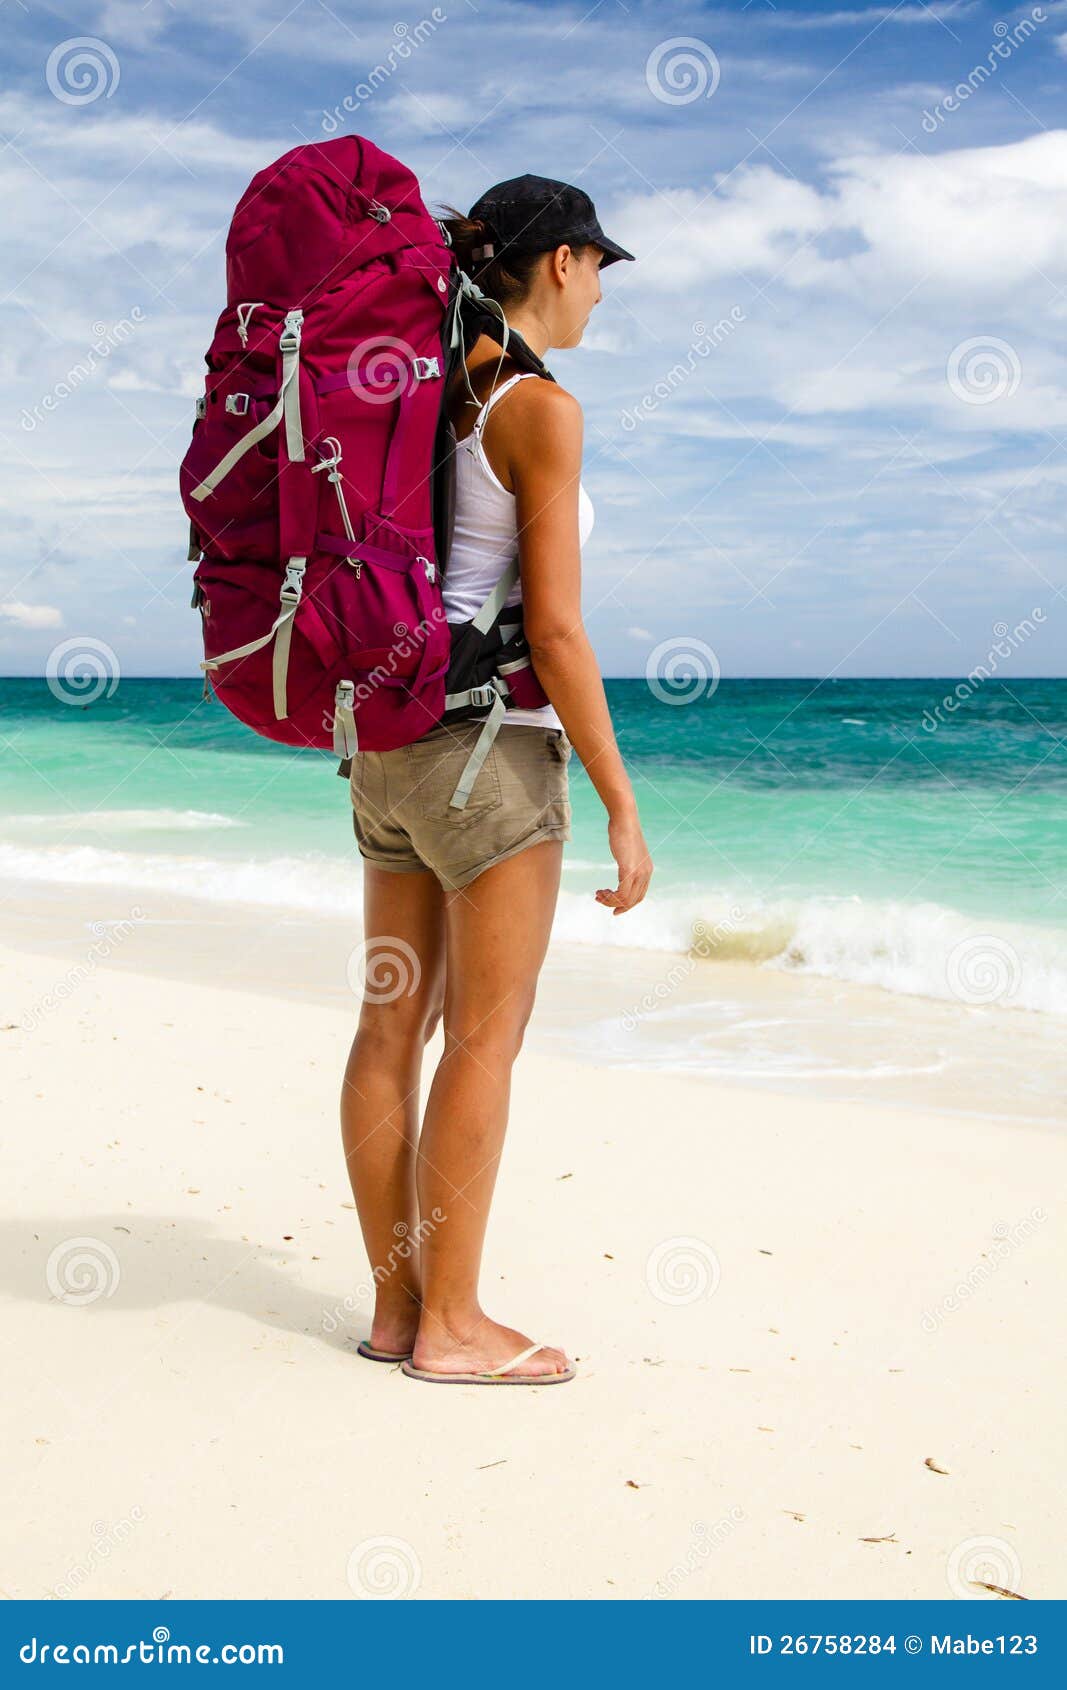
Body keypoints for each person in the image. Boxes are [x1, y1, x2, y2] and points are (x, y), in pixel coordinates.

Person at [341, 176, 652, 1385]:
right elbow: (559, 633)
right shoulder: (538, 408)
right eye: (597, 268)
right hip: (490, 754)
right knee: (484, 1032)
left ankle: (395, 1308)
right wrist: (623, 801)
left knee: (388, 1024)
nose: (597, 293)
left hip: (383, 743)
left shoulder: (418, 395)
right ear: (562, 262)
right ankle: (456, 1328)